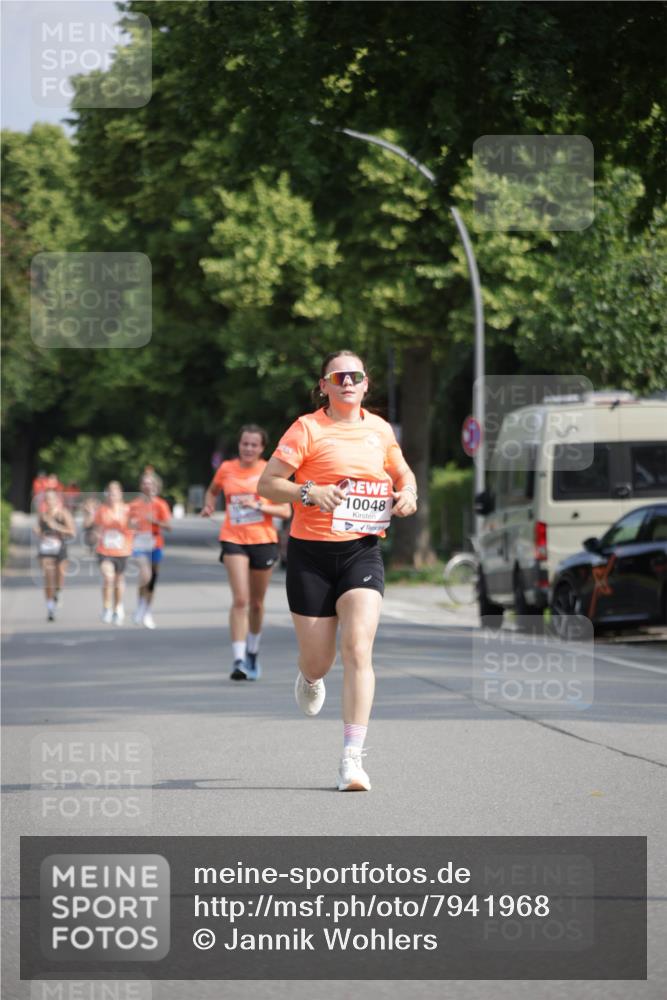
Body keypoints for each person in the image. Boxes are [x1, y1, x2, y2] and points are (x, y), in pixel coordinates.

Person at [258, 350, 418, 791]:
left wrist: (408, 495)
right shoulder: (307, 428)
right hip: (311, 556)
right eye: (338, 376)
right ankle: (309, 677)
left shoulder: (379, 430)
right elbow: (267, 483)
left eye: (356, 375)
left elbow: (404, 475)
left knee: (358, 649)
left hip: (361, 552)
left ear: (366, 384)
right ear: (324, 385)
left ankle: (352, 759)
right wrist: (309, 492)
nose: (348, 382)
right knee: (320, 660)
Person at [201, 425, 291, 680]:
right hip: (233, 538)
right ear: (238, 445)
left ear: (262, 448)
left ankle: (252, 651)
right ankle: (238, 659)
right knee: (240, 599)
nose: (248, 448)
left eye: (254, 445)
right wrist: (209, 505)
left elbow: (285, 511)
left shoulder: (269, 471)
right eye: (244, 444)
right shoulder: (226, 469)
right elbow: (212, 490)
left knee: (257, 603)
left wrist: (261, 505)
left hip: (262, 540)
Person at [84, 481, 133, 625]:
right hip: (104, 550)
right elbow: (91, 527)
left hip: (122, 549)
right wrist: (91, 520)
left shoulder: (127, 510)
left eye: (115, 492)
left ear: (120, 494)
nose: (112, 495)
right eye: (110, 493)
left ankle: (117, 606)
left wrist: (124, 527)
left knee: (119, 581)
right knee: (108, 577)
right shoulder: (102, 510)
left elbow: (135, 527)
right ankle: (106, 607)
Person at [128, 471, 172, 629]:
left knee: (152, 580)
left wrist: (156, 521)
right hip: (139, 544)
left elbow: (169, 527)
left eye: (150, 483)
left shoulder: (161, 504)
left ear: (156, 486)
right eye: (145, 483)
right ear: (141, 486)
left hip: (155, 544)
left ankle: (146, 610)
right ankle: (141, 607)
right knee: (145, 575)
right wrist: (131, 524)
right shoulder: (134, 504)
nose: (147, 486)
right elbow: (127, 525)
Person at [34, 488, 75, 621]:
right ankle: (50, 608)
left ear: (57, 500)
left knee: (59, 576)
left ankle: (58, 591)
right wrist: (38, 532)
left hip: (60, 549)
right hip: (46, 550)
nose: (49, 501)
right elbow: (39, 530)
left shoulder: (63, 513)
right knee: (48, 578)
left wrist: (57, 526)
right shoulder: (42, 515)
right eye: (47, 499)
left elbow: (72, 532)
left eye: (52, 498)